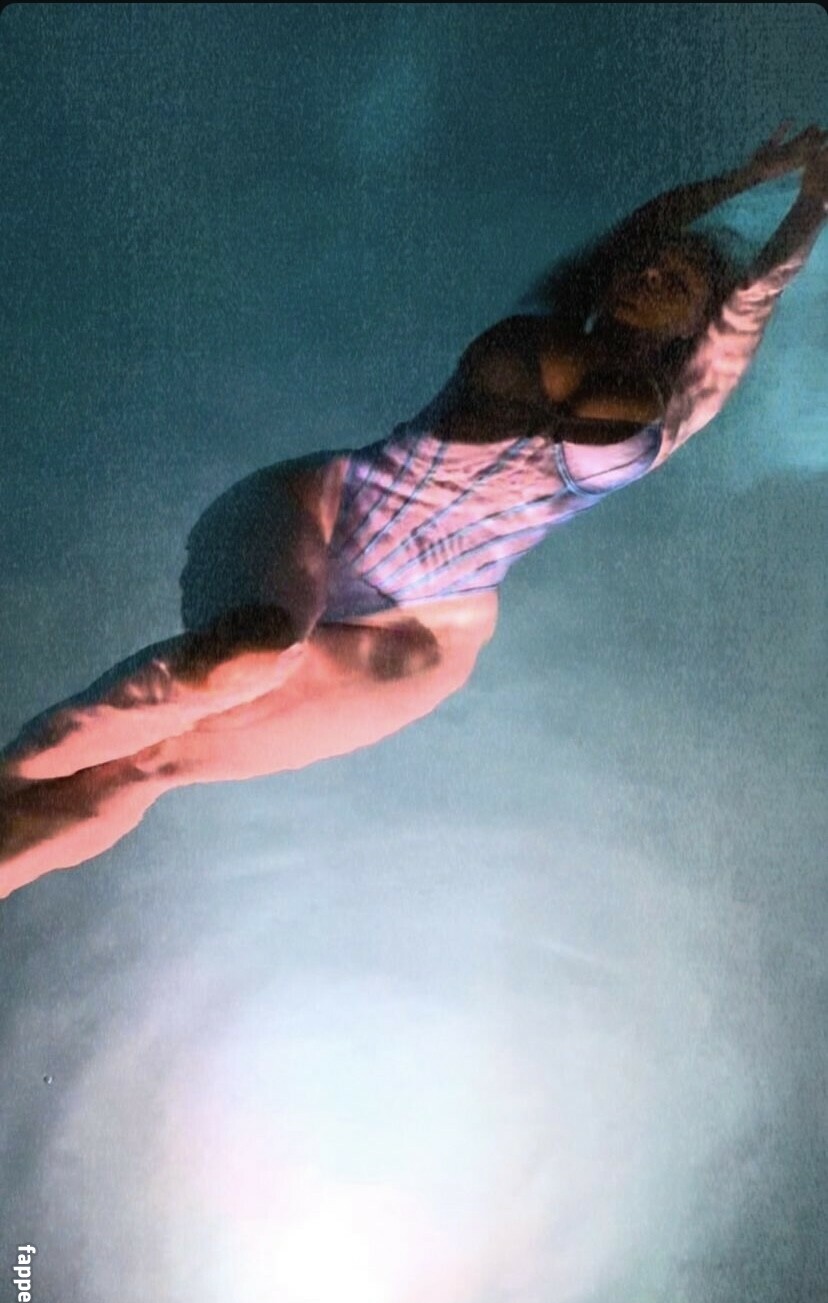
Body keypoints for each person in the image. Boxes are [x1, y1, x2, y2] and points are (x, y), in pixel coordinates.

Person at [1, 125, 825, 898]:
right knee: (245, 655)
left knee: (154, 763)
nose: (649, 277)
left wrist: (811, 205)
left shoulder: (673, 413)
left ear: (693, 323)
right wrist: (747, 177)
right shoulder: (557, 315)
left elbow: (756, 294)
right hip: (324, 511)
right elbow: (633, 238)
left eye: (677, 281)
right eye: (646, 266)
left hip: (426, 629)